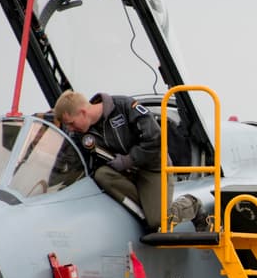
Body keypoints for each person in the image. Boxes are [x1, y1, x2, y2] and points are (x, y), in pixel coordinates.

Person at [52, 90, 199, 232]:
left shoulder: (125, 106)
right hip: (124, 173)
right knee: (102, 174)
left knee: (158, 222)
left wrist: (128, 160)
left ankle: (191, 204)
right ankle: (147, 209)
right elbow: (70, 163)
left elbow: (156, 140)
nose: (70, 128)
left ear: (82, 112)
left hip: (153, 168)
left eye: (71, 123)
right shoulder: (80, 135)